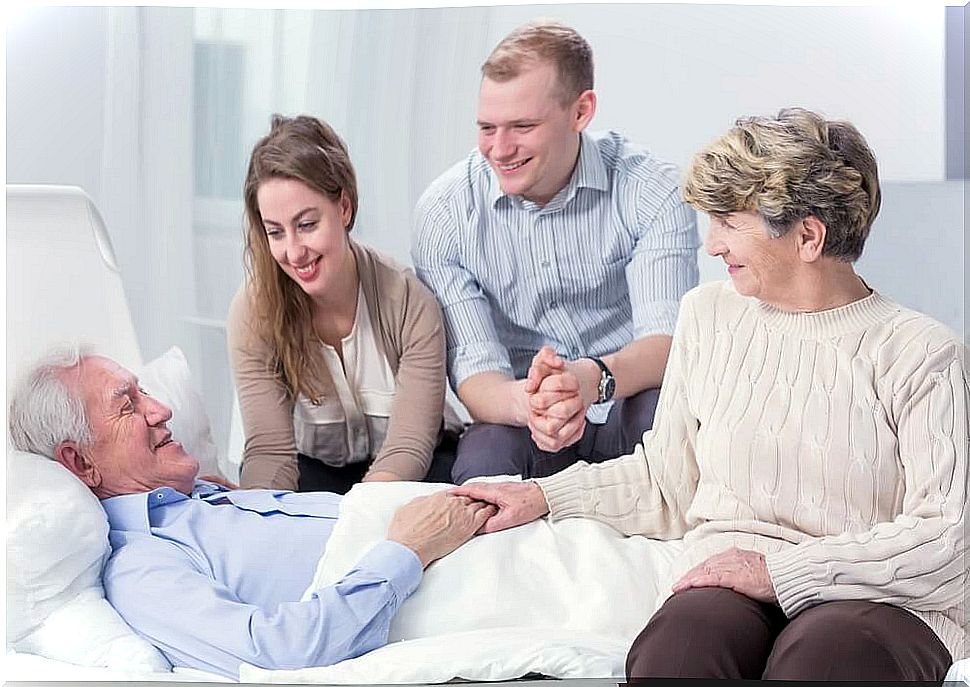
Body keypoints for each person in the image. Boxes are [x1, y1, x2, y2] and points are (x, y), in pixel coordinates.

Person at [453, 108, 967, 680]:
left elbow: (947, 537)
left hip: (879, 599)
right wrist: (541, 496)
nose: (711, 243)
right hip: (729, 577)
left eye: (727, 220)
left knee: (825, 661)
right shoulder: (709, 315)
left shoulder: (922, 352)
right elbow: (667, 482)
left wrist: (780, 573)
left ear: (808, 235)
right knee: (675, 654)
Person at [8, 349, 495, 680]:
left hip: (491, 531)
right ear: (80, 463)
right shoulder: (142, 566)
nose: (161, 409)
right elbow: (277, 655)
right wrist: (406, 551)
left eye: (145, 392)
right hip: (475, 578)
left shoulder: (207, 498)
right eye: (128, 406)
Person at [412, 20, 699, 484]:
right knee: (482, 467)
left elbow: (668, 342)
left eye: (523, 126)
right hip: (523, 413)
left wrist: (590, 381)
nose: (500, 150)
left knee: (670, 425)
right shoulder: (445, 214)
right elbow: (475, 371)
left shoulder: (651, 189)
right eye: (487, 128)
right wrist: (527, 402)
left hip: (625, 394)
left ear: (581, 111)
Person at [229, 114, 461, 494]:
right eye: (275, 232)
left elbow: (408, 447)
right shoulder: (253, 312)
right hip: (316, 471)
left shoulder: (409, 302)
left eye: (306, 225)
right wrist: (256, 523)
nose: (293, 251)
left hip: (413, 470)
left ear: (345, 208)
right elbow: (270, 451)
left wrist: (356, 519)